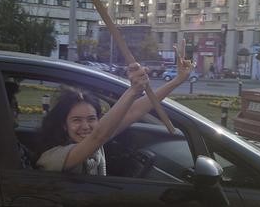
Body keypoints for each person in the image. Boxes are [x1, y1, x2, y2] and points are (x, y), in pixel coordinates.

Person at [35, 46, 193, 175]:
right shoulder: (52, 157)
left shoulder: (96, 135)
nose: (85, 126)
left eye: (91, 119)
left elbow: (133, 111)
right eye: (76, 120)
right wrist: (133, 90)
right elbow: (98, 136)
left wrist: (177, 80)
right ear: (64, 125)